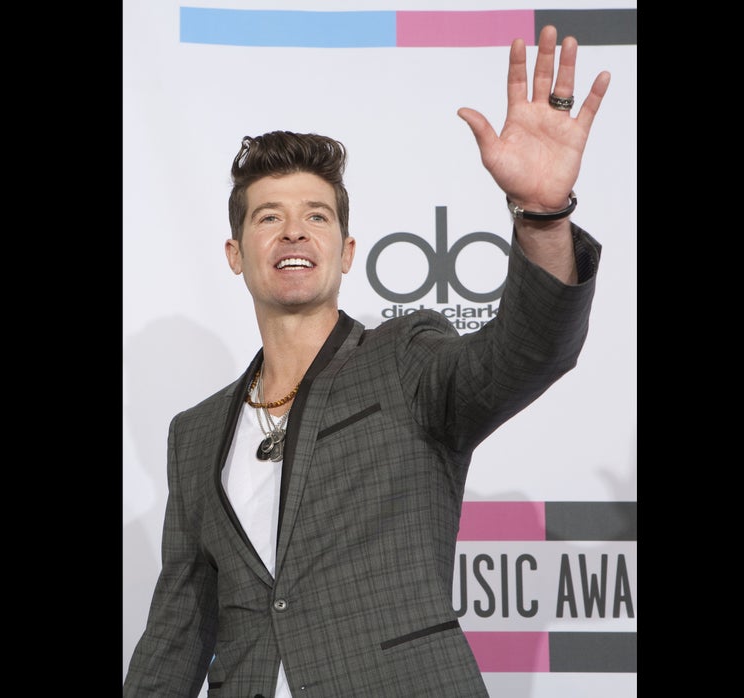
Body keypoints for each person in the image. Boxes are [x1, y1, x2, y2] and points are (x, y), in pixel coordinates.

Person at [124, 24, 611, 698]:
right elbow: (175, 635)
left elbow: (528, 351)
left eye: (316, 216)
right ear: (235, 254)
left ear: (346, 251)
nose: (293, 229)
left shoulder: (405, 360)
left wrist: (542, 213)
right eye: (268, 217)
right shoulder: (196, 433)